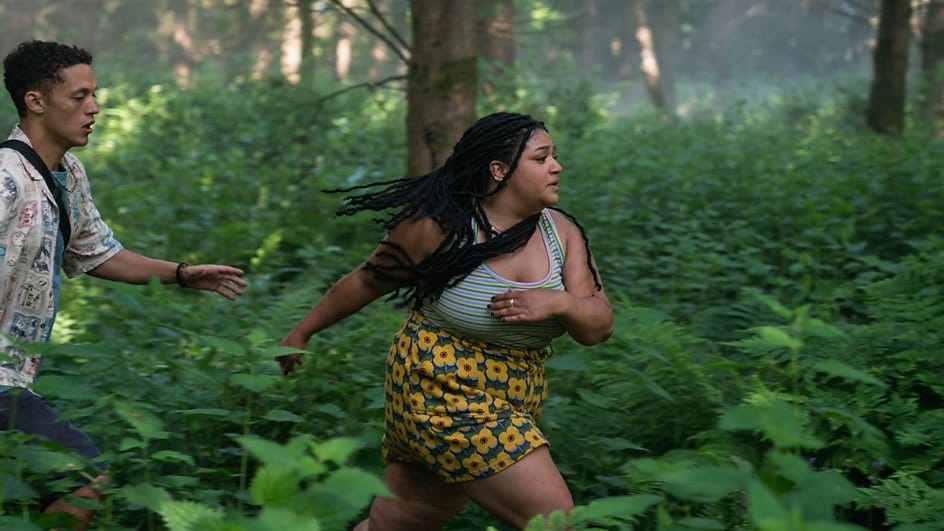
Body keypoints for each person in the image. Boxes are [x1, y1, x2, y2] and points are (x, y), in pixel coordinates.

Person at [279, 112, 613, 530]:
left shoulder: (562, 234)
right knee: (554, 521)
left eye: (554, 157)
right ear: (499, 170)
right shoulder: (440, 225)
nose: (556, 166)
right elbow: (367, 280)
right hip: (438, 387)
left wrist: (558, 303)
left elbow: (598, 325)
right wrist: (301, 331)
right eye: (541, 158)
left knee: (399, 524)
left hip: (514, 396)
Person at [0, 40, 247, 530]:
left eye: (95, 95)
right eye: (79, 96)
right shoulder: (5, 180)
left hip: (12, 371)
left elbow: (97, 251)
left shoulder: (66, 173)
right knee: (84, 478)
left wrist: (180, 273)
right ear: (35, 101)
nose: (94, 108)